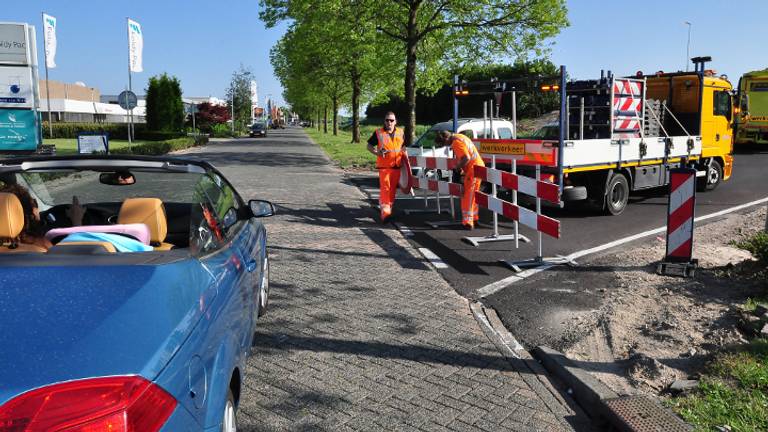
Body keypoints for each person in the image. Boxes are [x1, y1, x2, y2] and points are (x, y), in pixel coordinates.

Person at [0, 184, 85, 250]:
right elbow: (77, 262)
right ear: (31, 212)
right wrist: (77, 222)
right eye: (34, 203)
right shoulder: (40, 247)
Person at [434, 130, 485, 230]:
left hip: (473, 170)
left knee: (467, 196)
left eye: (444, 143)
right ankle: (474, 218)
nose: (446, 146)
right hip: (478, 168)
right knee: (473, 196)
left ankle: (467, 222)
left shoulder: (456, 143)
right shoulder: (460, 136)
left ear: (446, 138)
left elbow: (466, 158)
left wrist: (457, 168)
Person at [367, 112, 404, 222]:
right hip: (384, 167)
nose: (389, 122)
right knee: (385, 188)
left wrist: (405, 161)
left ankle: (388, 208)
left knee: (392, 189)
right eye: (387, 120)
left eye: (391, 120)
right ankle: (385, 212)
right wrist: (378, 153)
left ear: (395, 122)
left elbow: (403, 147)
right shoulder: (379, 133)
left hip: (397, 166)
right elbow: (369, 146)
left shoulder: (401, 132)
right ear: (384, 121)